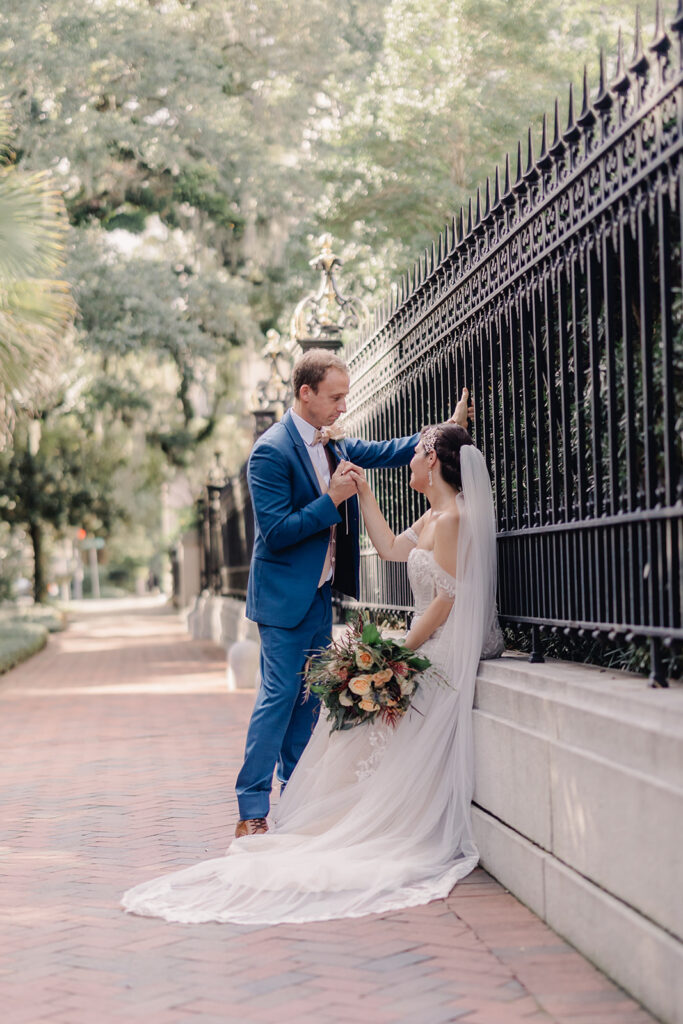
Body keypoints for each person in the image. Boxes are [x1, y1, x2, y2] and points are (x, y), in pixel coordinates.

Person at [122, 420, 501, 925]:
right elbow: (388, 547)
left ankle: (349, 817)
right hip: (415, 641)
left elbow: (448, 599)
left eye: (417, 453)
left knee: (341, 719)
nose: (409, 458)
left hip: (437, 647)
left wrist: (400, 653)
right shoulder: (432, 516)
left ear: (432, 460)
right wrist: (362, 491)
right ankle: (292, 812)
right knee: (312, 707)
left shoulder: (452, 518)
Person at [233, 348, 471, 838]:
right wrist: (331, 501)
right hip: (282, 600)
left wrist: (440, 434)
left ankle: (293, 800)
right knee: (279, 697)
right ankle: (251, 810)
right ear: (306, 393)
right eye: (335, 397)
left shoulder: (334, 442)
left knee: (306, 701)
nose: (343, 407)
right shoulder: (270, 451)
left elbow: (386, 451)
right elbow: (276, 532)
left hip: (321, 595)